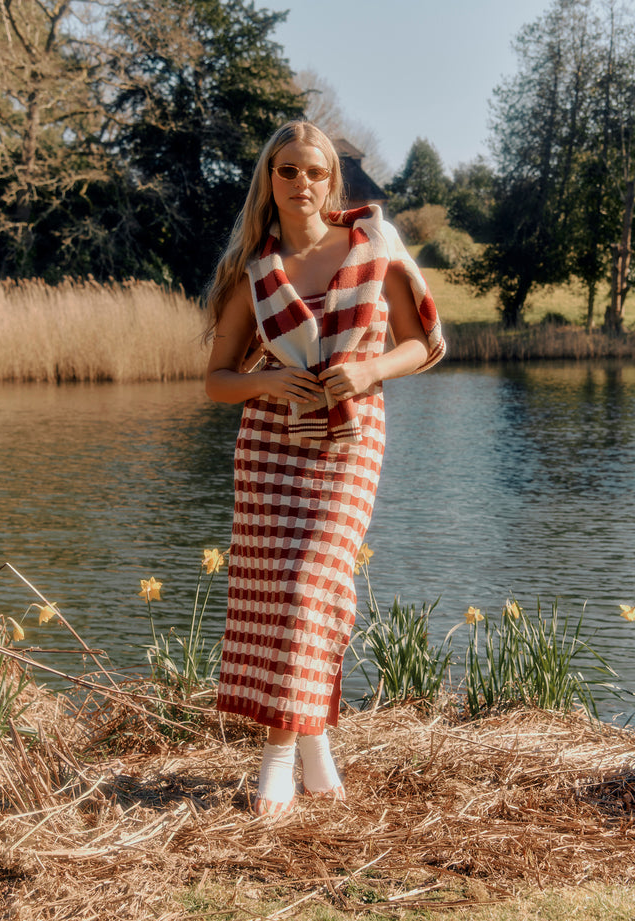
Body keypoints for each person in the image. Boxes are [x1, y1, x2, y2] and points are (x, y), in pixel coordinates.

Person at [204, 120, 445, 818]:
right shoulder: (253, 271)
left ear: (332, 179)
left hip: (351, 440)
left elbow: (425, 345)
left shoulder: (374, 247)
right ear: (269, 181)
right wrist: (268, 384)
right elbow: (217, 379)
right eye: (288, 171)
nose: (302, 183)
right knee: (279, 595)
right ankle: (313, 751)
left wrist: (368, 367)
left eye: (315, 171)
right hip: (270, 443)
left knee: (314, 585)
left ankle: (276, 758)